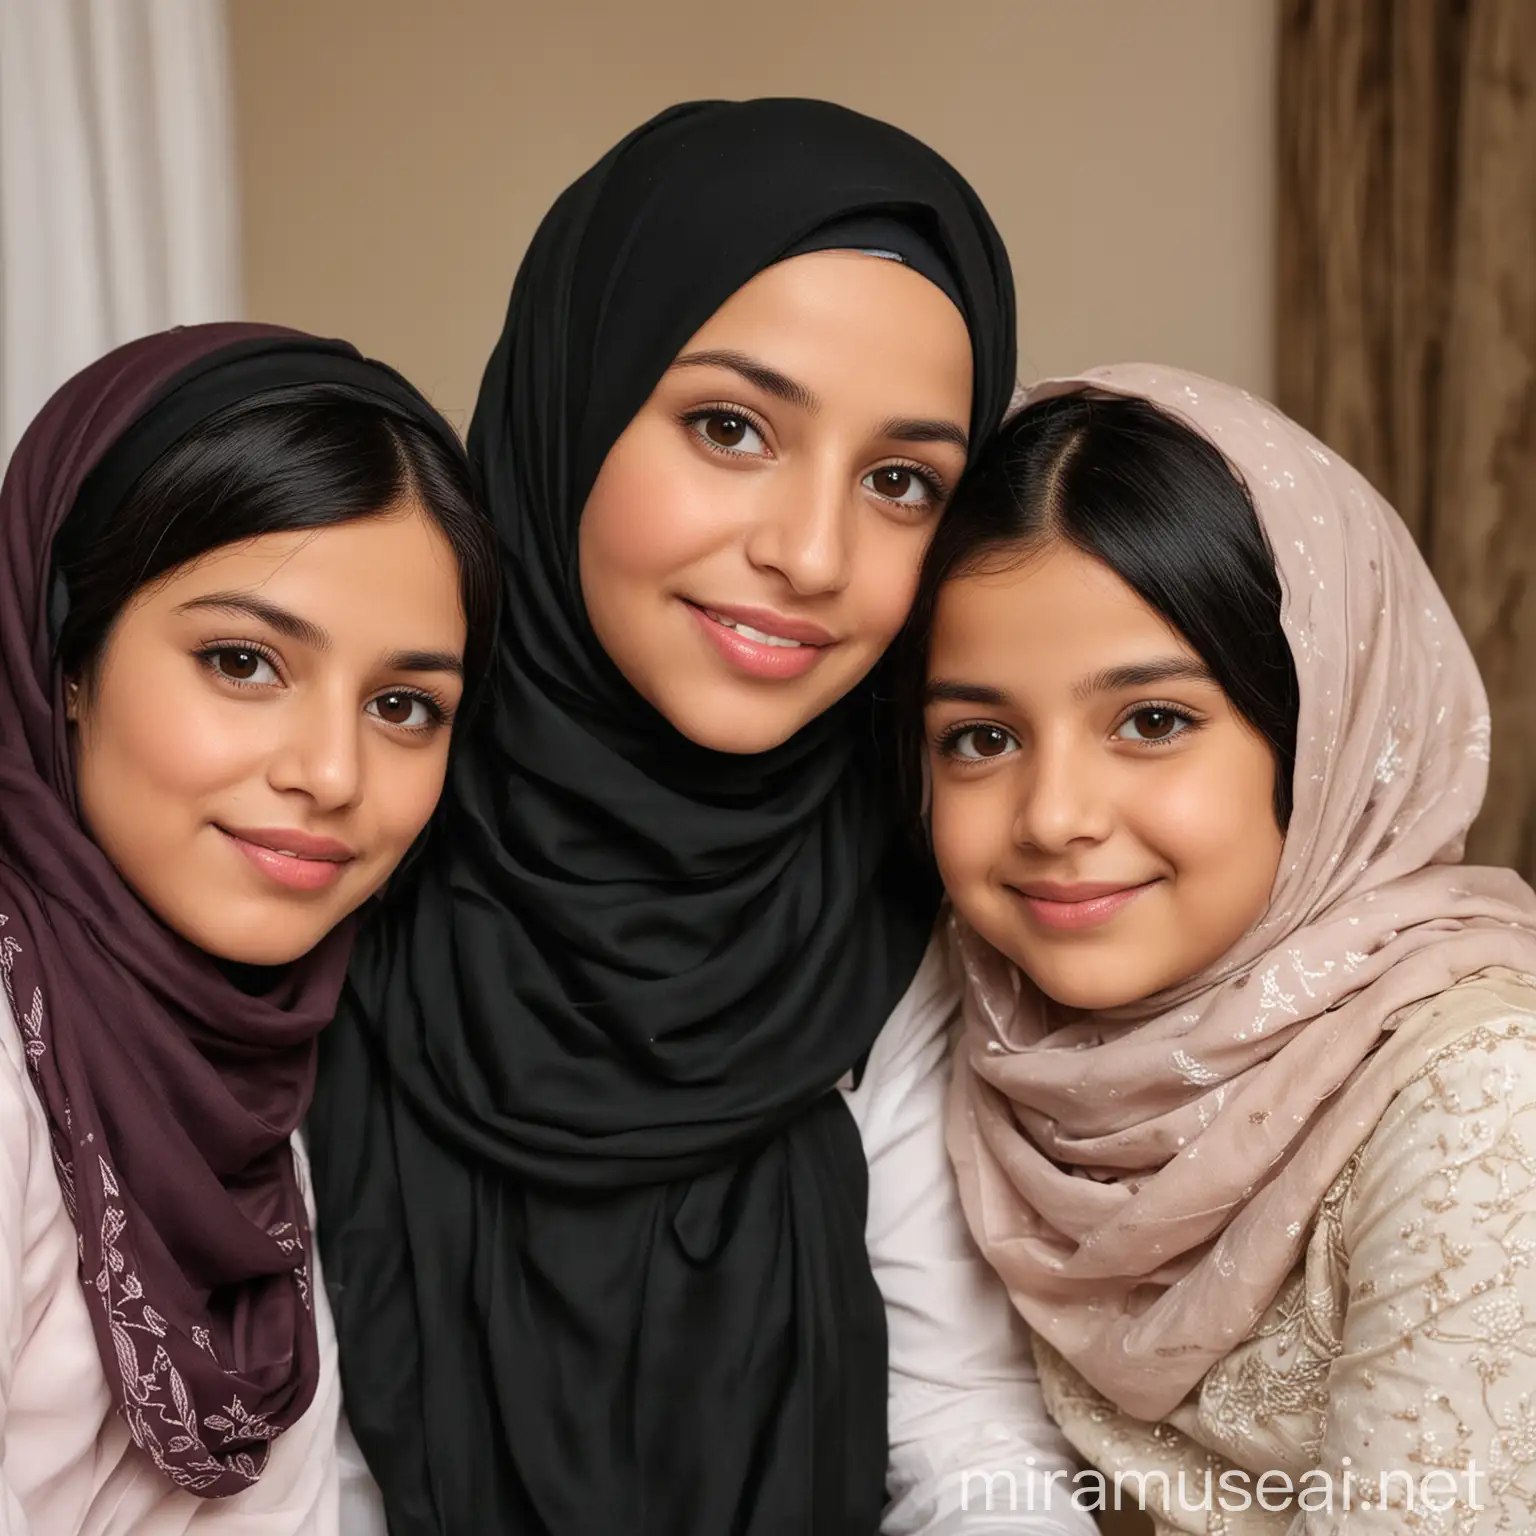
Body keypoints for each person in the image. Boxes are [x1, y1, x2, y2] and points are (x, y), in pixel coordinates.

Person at [309, 99, 1090, 1535]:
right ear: (576, 401)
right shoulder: (320, 838)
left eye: (901, 481)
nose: (808, 553)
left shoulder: (918, 884)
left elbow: (958, 1422)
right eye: (732, 428)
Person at [918, 364, 1536, 1533]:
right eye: (981, 737)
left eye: (1152, 721)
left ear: (1322, 734)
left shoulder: (1484, 1096)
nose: (1053, 817)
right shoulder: (980, 1013)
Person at [0, 323, 498, 1534]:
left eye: (402, 705)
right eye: (243, 661)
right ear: (67, 658)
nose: (332, 772)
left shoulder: (244, 1063)